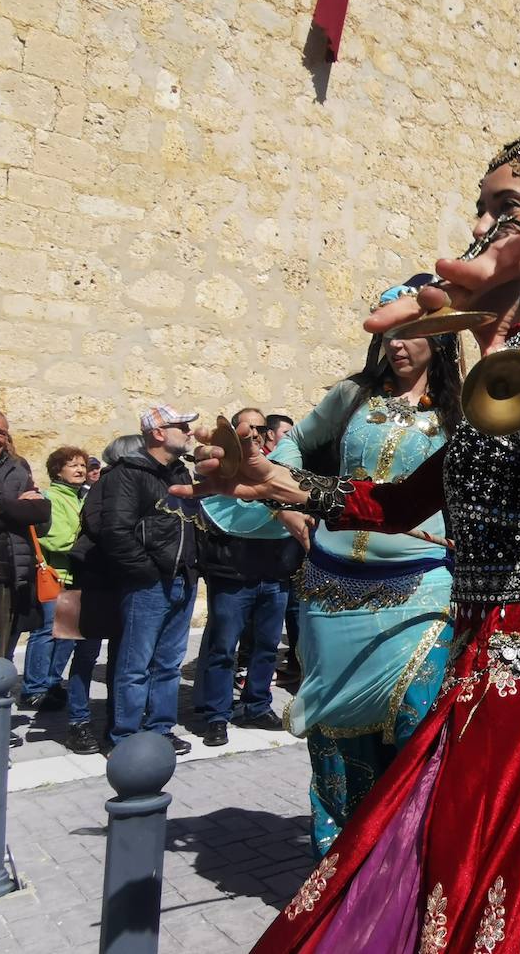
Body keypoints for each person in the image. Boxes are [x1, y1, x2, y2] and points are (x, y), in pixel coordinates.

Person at [180, 132, 520, 952]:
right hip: (474, 682)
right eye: (481, 205)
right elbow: (396, 503)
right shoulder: (491, 378)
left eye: (506, 205)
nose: (480, 222)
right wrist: (273, 485)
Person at [203, 294, 462, 855]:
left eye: (410, 330)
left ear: (440, 335)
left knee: (420, 713)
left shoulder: (462, 409)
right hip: (329, 586)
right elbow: (290, 448)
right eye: (388, 332)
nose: (395, 342)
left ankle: (411, 859)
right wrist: (289, 509)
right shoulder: (352, 396)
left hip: (423, 583)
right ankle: (341, 861)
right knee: (337, 732)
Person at [193, 408, 303, 748]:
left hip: (274, 574)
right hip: (233, 574)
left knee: (267, 648)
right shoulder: (224, 472)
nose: (254, 433)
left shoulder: (276, 470)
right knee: (224, 649)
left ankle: (257, 706)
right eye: (247, 428)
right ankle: (217, 715)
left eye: (259, 428)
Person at [97, 405, 202, 756]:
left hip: (183, 579)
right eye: (182, 426)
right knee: (134, 664)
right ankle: (124, 737)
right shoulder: (128, 474)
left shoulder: (181, 473)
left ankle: (160, 729)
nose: (189, 432)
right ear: (158, 433)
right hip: (148, 583)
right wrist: (145, 573)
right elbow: (115, 531)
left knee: (169, 663)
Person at [62, 433, 145, 754]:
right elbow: (99, 527)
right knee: (83, 656)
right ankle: (78, 723)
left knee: (121, 658)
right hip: (88, 579)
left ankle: (116, 721)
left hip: (117, 580)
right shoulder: (106, 484)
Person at [0, 408, 51, 659]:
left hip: (5, 577)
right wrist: (14, 511)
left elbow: (39, 511)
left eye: (0, 433)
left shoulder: (17, 466)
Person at [17, 446, 90, 712]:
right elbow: (57, 539)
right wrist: (89, 541)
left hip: (76, 576)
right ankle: (33, 689)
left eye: (82, 465)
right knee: (47, 632)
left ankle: (52, 682)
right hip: (56, 574)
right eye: (72, 465)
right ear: (58, 471)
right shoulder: (52, 498)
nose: (80, 469)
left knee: (69, 635)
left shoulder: (81, 497)